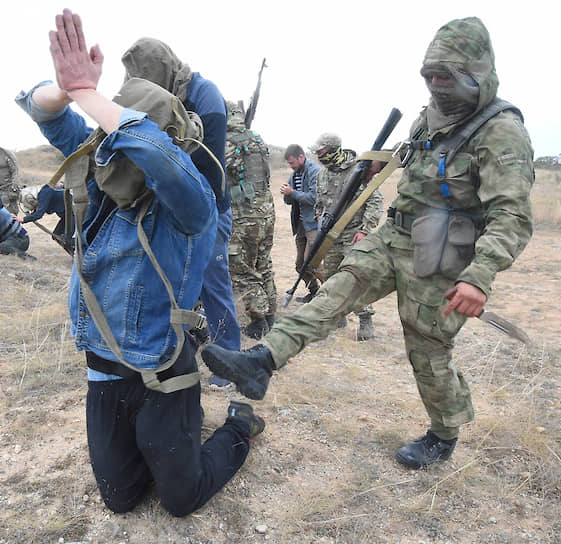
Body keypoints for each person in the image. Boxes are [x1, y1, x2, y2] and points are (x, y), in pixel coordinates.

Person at [201, 17, 534, 470]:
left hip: (442, 254)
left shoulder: (500, 129)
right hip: (395, 234)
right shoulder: (430, 115)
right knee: (334, 294)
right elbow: (413, 161)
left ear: (476, 72)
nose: (436, 85)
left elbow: (511, 215)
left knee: (428, 349)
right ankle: (261, 361)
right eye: (430, 76)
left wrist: (479, 277)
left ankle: (443, 433)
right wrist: (377, 165)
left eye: (446, 76)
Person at [14, 8, 264, 516]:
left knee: (180, 500)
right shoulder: (98, 171)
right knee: (122, 501)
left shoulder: (192, 202)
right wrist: (68, 90)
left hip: (161, 374)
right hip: (104, 371)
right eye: (109, 140)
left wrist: (91, 97)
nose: (113, 151)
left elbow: (157, 156)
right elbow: (41, 109)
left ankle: (240, 423)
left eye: (121, 136)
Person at [121, 37, 241, 388]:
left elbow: (209, 167)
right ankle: (176, 356)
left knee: (213, 282)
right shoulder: (148, 92)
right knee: (171, 284)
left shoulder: (205, 96)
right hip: (168, 207)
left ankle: (228, 361)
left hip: (209, 210)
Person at [311, 132, 383, 340]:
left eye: (321, 151)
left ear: (333, 149)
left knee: (356, 278)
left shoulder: (359, 170)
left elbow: (375, 201)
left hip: (353, 235)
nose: (318, 155)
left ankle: (365, 321)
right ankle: (336, 316)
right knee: (331, 278)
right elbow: (319, 202)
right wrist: (319, 218)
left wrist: (364, 230)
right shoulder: (322, 174)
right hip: (331, 237)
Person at [225, 100, 277, 340]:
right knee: (263, 264)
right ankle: (271, 314)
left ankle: (259, 320)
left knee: (241, 268)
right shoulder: (257, 140)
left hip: (246, 215)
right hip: (266, 210)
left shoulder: (228, 143)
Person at [280, 144, 322, 303]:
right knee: (300, 265)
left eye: (292, 163)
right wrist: (287, 193)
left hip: (313, 223)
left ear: (301, 157)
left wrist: (292, 193)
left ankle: (332, 297)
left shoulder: (314, 171)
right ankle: (315, 292)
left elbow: (313, 198)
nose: (291, 166)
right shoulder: (295, 173)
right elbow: (289, 200)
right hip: (301, 225)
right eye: (289, 164)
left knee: (312, 263)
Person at [19, 183, 73, 251]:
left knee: (67, 240)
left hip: (73, 213)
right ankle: (75, 255)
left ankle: (81, 256)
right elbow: (38, 210)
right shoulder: (42, 192)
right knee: (56, 236)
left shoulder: (44, 192)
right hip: (66, 216)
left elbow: (39, 214)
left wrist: (23, 219)